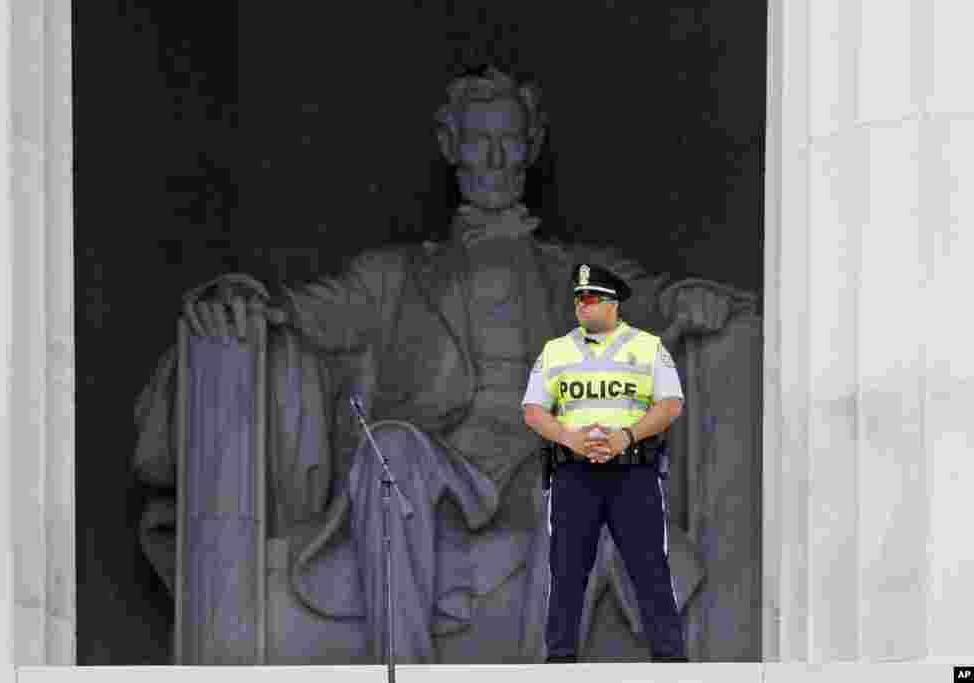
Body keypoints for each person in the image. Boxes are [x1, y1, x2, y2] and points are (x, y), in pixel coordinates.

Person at [134, 65, 755, 664]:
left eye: (508, 141)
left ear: (530, 147)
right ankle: (401, 666)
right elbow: (291, 313)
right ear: (449, 145)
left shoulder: (579, 273)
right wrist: (234, 296)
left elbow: (653, 301)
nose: (492, 158)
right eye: (478, 140)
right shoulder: (392, 276)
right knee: (392, 451)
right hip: (440, 474)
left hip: (543, 461)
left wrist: (688, 298)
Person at [523, 263, 689, 663]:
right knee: (566, 572)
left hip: (632, 472)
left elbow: (670, 404)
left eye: (592, 297)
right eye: (578, 297)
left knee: (649, 569)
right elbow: (533, 409)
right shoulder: (556, 350)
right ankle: (560, 659)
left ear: (613, 304)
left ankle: (671, 661)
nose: (582, 304)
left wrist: (625, 437)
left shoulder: (647, 347)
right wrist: (570, 438)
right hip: (574, 473)